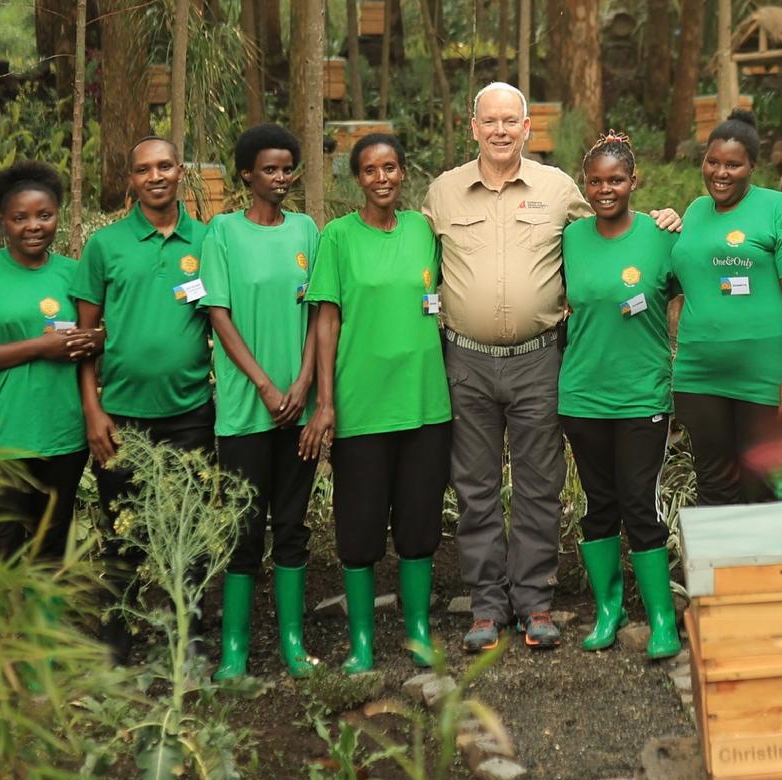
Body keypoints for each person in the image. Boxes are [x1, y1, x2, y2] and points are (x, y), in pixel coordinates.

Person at [426, 83, 678, 653]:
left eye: (509, 121)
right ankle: (488, 607)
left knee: (541, 485)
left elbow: (614, 232)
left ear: (525, 129)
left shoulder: (559, 189)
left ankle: (536, 600)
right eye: (488, 120)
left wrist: (665, 217)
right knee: (476, 486)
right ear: (473, 127)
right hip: (465, 358)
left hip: (540, 359)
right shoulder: (442, 194)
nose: (499, 131)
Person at [302, 133, 452, 674]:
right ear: (357, 179)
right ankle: (362, 642)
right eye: (370, 170)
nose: (382, 178)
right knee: (359, 529)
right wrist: (325, 403)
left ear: (403, 172)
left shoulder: (422, 230)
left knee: (418, 525)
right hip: (361, 406)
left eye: (390, 167)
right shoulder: (338, 238)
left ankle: (416, 631)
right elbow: (326, 320)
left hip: (425, 404)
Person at [73, 136, 214, 662]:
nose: (155, 176)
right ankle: (118, 644)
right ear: (130, 180)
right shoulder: (105, 246)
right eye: (142, 169)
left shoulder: (206, 239)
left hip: (191, 412)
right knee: (120, 532)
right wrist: (93, 409)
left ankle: (189, 640)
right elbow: (85, 340)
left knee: (190, 532)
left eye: (164, 166)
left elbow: (222, 321)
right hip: (123, 417)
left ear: (181, 171)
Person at [199, 124, 321, 679]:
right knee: (244, 527)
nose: (280, 177)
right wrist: (268, 387)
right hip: (247, 412)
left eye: (287, 167)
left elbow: (321, 314)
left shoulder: (306, 231)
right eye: (268, 169)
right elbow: (218, 314)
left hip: (299, 408)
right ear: (246, 174)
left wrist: (302, 385)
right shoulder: (221, 233)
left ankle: (293, 642)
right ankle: (235, 649)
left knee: (292, 525)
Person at [0, 163, 102, 562]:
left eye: (44, 215)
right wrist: (39, 348)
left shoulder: (74, 273)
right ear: (4, 221)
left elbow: (91, 340)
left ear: (57, 216)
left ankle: (43, 623)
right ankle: (2, 627)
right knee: (0, 553)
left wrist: (98, 340)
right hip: (1, 437)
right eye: (20, 217)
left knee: (51, 548)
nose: (33, 226)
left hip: (62, 437)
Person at [559, 131, 682, 660]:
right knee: (598, 504)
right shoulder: (570, 237)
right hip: (583, 392)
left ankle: (661, 619)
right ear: (584, 185)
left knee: (640, 503)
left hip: (642, 394)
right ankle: (609, 609)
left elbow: (697, 293)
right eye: (595, 181)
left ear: (634, 182)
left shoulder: (662, 235)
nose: (605, 189)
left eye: (615, 179)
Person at [671, 109, 782, 506]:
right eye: (713, 162)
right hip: (699, 377)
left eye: (733, 165)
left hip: (764, 380)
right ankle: (722, 570)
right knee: (714, 487)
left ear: (752, 166)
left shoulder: (779, 210)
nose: (721, 172)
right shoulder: (695, 211)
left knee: (764, 489)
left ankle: (768, 570)